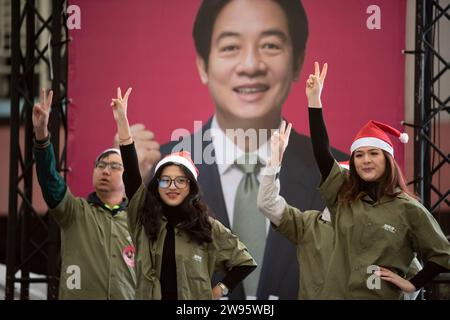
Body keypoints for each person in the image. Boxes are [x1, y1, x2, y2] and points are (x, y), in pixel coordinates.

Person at [304, 62, 450, 298]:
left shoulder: (408, 208)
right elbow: (322, 153)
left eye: (374, 153)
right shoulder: (343, 194)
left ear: (388, 160)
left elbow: (442, 255)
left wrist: (412, 284)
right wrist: (314, 101)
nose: (366, 160)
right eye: (359, 155)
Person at [110, 87, 257, 299]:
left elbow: (245, 263)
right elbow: (132, 174)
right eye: (166, 180)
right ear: (156, 184)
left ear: (190, 187)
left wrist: (220, 290)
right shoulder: (143, 217)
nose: (172, 186)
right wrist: (123, 124)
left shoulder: (206, 226)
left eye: (180, 181)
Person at [257, 122, 424, 299]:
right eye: (342, 181)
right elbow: (267, 203)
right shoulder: (308, 225)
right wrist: (274, 163)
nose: (346, 188)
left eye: (353, 184)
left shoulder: (377, 226)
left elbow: (415, 273)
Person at [32, 88, 136, 299]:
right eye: (100, 165)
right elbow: (50, 179)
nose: (105, 170)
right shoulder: (74, 212)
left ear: (128, 176)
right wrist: (42, 135)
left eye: (115, 166)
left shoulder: (140, 220)